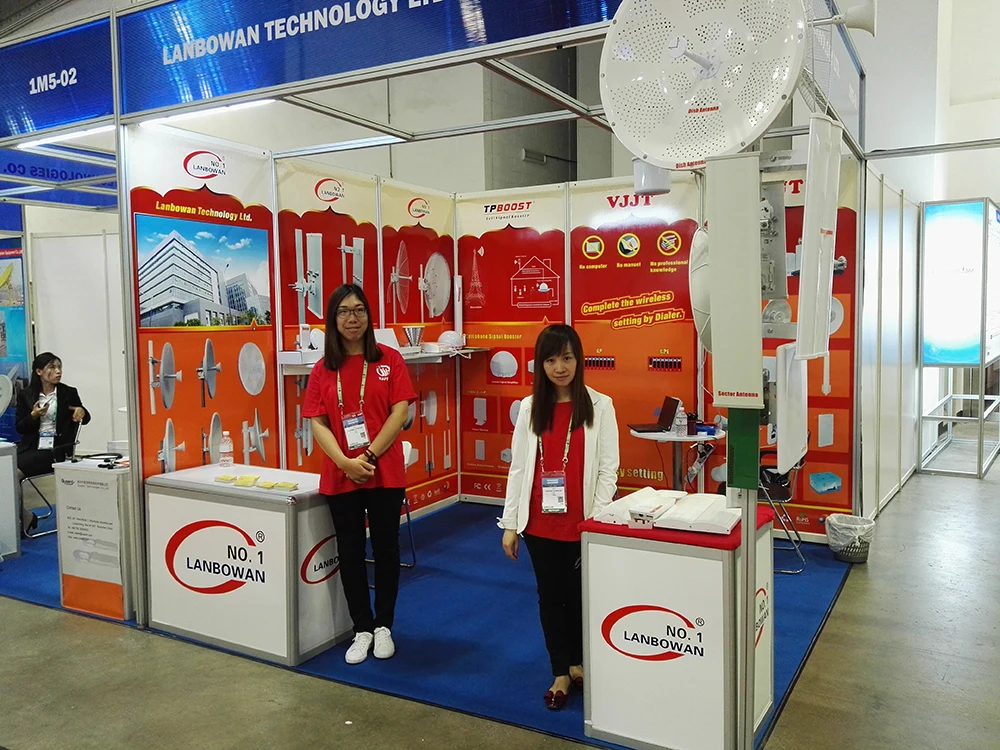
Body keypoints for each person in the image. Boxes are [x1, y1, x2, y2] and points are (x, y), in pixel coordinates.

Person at [499, 324, 619, 710]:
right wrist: (510, 524)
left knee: (579, 596)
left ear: (578, 359)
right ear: (541, 365)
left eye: (566, 358)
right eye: (550, 360)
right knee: (550, 597)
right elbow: (519, 467)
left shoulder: (600, 406)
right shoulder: (531, 407)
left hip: (581, 523)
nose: (559, 367)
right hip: (538, 523)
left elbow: (608, 470)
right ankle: (560, 672)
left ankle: (578, 661)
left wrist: (594, 521)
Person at [303, 284, 417, 665]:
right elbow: (318, 423)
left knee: (386, 550)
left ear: (368, 316)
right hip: (342, 474)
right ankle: (361, 628)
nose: (352, 319)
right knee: (350, 552)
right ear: (333, 319)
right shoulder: (323, 369)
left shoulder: (389, 359)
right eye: (344, 312)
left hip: (383, 471)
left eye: (359, 310)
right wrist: (345, 462)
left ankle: (384, 625)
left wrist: (367, 455)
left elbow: (399, 412)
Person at [15, 352, 90, 534]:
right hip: (31, 447)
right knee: (4, 470)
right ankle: (23, 517)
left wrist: (81, 410)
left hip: (56, 449)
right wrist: (33, 416)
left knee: (12, 473)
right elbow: (20, 427)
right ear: (39, 371)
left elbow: (86, 417)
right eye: (52, 367)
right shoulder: (26, 395)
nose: (58, 371)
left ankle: (22, 519)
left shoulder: (68, 392)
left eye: (59, 367)